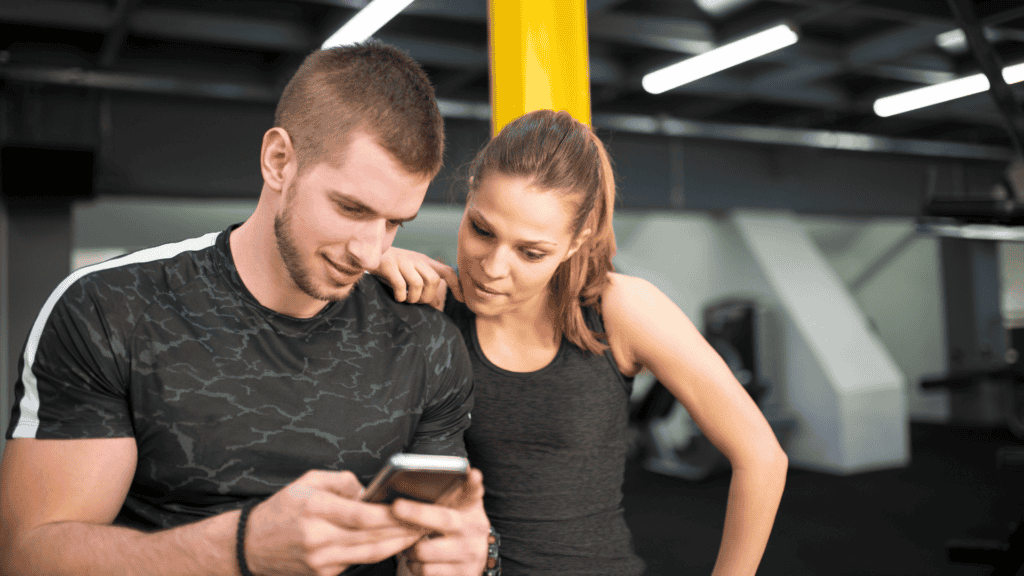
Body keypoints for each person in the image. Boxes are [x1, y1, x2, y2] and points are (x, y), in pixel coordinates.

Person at [0, 42, 493, 576]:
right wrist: (242, 548)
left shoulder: (424, 340)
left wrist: (469, 557)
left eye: (396, 222)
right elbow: (28, 557)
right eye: (351, 208)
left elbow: (431, 544)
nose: (370, 252)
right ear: (279, 161)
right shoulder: (110, 309)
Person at [374, 109, 789, 575]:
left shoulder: (619, 310)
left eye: (531, 252)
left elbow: (762, 457)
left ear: (577, 240)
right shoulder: (431, 302)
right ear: (470, 193)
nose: (492, 266)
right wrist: (371, 256)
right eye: (481, 230)